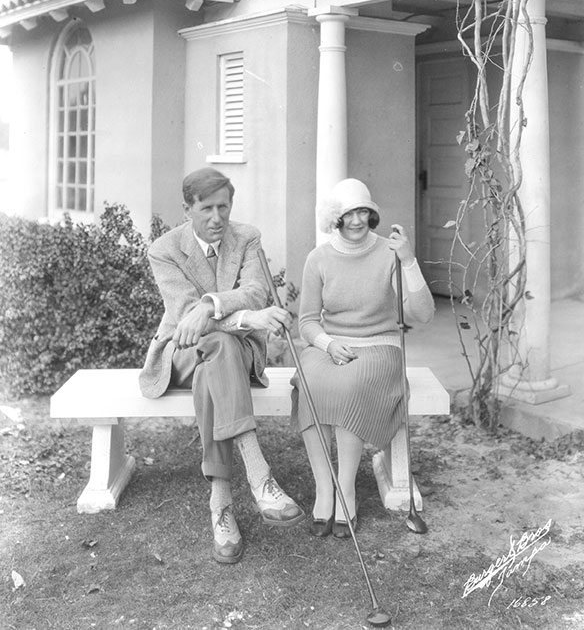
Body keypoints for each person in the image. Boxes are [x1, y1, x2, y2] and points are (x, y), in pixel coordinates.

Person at [139, 167, 304, 565]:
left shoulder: (246, 238)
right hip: (180, 352)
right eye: (207, 208)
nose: (217, 218)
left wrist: (211, 306)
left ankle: (221, 505)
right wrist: (249, 319)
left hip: (230, 355)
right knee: (217, 344)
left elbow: (254, 290)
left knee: (220, 347)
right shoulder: (165, 249)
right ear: (187, 209)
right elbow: (184, 319)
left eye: (224, 207)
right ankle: (258, 473)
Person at [292, 178, 434, 538]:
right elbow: (307, 321)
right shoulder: (319, 258)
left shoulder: (390, 251)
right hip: (331, 345)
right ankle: (326, 490)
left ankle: (347, 489)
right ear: (334, 219)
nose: (356, 220)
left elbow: (423, 315)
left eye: (364, 212)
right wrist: (326, 344)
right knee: (309, 383)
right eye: (348, 213)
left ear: (373, 215)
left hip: (380, 346)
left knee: (350, 386)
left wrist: (409, 260)